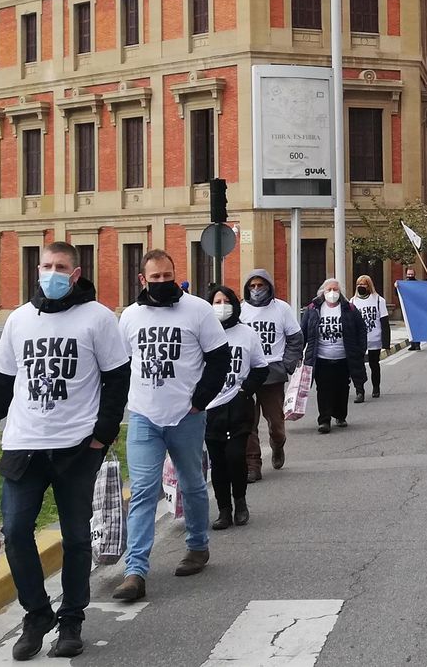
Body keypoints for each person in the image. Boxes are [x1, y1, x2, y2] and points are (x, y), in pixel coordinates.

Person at [0, 241, 129, 660]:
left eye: (60, 267)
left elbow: (117, 381)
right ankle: (37, 613)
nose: (51, 273)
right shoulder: (19, 320)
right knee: (17, 532)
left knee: (76, 537)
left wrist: (102, 434)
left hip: (77, 446)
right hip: (24, 445)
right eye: (45, 266)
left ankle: (72, 619)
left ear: (75, 274)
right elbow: (1, 382)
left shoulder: (97, 318)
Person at [112, 250, 232, 603]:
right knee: (144, 491)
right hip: (144, 417)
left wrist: (200, 399)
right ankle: (135, 571)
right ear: (142, 280)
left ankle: (197, 546)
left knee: (192, 483)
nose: (162, 283)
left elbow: (219, 358)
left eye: (168, 276)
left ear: (175, 274)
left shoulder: (197, 310)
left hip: (187, 416)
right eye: (156, 278)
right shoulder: (130, 317)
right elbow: (120, 366)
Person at [203, 286, 267, 532]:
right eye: (216, 301)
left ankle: (240, 502)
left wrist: (245, 390)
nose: (221, 305)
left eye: (225, 301)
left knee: (235, 457)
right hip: (211, 407)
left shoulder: (247, 334)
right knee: (217, 462)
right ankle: (223, 510)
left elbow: (260, 368)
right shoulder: (203, 335)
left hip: (239, 406)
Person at [238, 269, 302, 484]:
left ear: (268, 286)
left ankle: (278, 444)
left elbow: (295, 338)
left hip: (273, 372)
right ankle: (253, 465)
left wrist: (287, 364)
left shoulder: (281, 309)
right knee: (248, 422)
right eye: (252, 286)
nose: (256, 290)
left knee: (276, 422)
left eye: (260, 285)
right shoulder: (240, 310)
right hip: (247, 374)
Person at [302, 278, 367, 434]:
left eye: (335, 289)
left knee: (341, 388)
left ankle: (340, 415)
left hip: (344, 358)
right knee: (323, 389)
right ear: (323, 292)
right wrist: (299, 353)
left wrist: (360, 350)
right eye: (329, 289)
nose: (332, 293)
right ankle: (324, 420)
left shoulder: (349, 309)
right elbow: (303, 331)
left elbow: (361, 329)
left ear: (340, 292)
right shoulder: (313, 309)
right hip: (321, 357)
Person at [352, 276, 391, 396]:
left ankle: (376, 387)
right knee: (358, 365)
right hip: (359, 340)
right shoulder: (352, 302)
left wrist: (386, 343)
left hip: (375, 338)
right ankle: (360, 390)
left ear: (369, 286)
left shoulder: (379, 300)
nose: (361, 286)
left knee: (374, 364)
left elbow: (384, 322)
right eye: (359, 284)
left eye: (363, 284)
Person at [400, 268, 423, 351]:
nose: (410, 276)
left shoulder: (418, 284)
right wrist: (396, 287)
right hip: (407, 309)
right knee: (409, 328)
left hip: (416, 309)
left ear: (414, 274)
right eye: (409, 274)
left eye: (411, 274)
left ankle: (417, 344)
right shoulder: (404, 284)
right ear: (406, 274)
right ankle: (412, 344)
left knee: (416, 327)